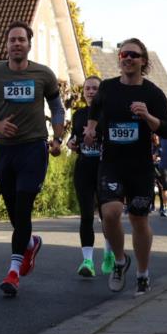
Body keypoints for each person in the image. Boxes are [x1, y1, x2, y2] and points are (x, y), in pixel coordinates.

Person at [0, 22, 66, 297]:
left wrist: (57, 139)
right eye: (12, 40)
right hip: (4, 150)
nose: (16, 44)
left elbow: (57, 109)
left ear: (29, 44)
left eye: (21, 39)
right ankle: (30, 242)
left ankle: (13, 272)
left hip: (33, 149)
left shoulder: (43, 74)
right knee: (14, 211)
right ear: (6, 45)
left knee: (23, 205)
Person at [83, 38, 167, 296]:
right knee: (109, 213)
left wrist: (147, 116)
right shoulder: (108, 87)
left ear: (143, 60)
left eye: (134, 54)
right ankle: (121, 261)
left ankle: (143, 274)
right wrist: (91, 128)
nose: (128, 58)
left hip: (140, 166)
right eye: (124, 54)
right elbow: (95, 108)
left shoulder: (152, 93)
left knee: (138, 219)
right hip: (111, 162)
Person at [67, 75, 113, 277]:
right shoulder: (78, 114)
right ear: (83, 92)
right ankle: (87, 261)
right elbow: (74, 136)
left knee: (107, 217)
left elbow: (114, 137)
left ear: (101, 92)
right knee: (86, 215)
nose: (91, 92)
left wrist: (97, 135)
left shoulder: (110, 113)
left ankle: (110, 254)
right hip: (84, 168)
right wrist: (72, 143)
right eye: (88, 88)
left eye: (95, 88)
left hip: (106, 169)